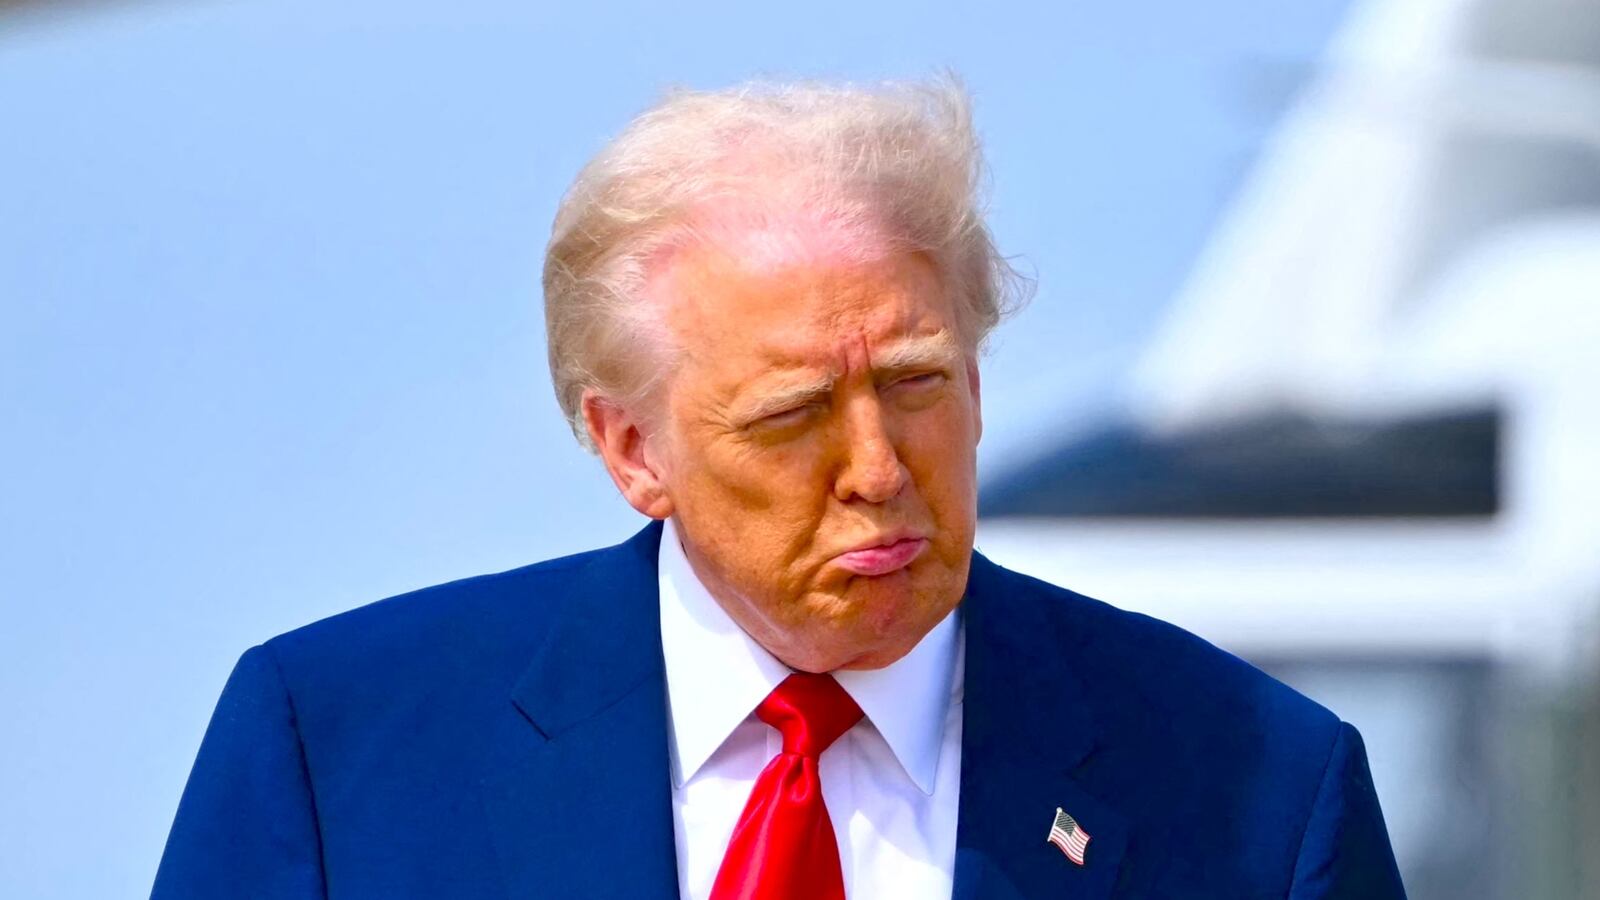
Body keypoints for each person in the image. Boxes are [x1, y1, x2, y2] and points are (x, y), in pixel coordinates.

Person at [152, 76, 1407, 899]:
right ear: (631, 449)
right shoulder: (338, 752)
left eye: (916, 385)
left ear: (975, 385)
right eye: (792, 415)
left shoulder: (1258, 785)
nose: (875, 469)